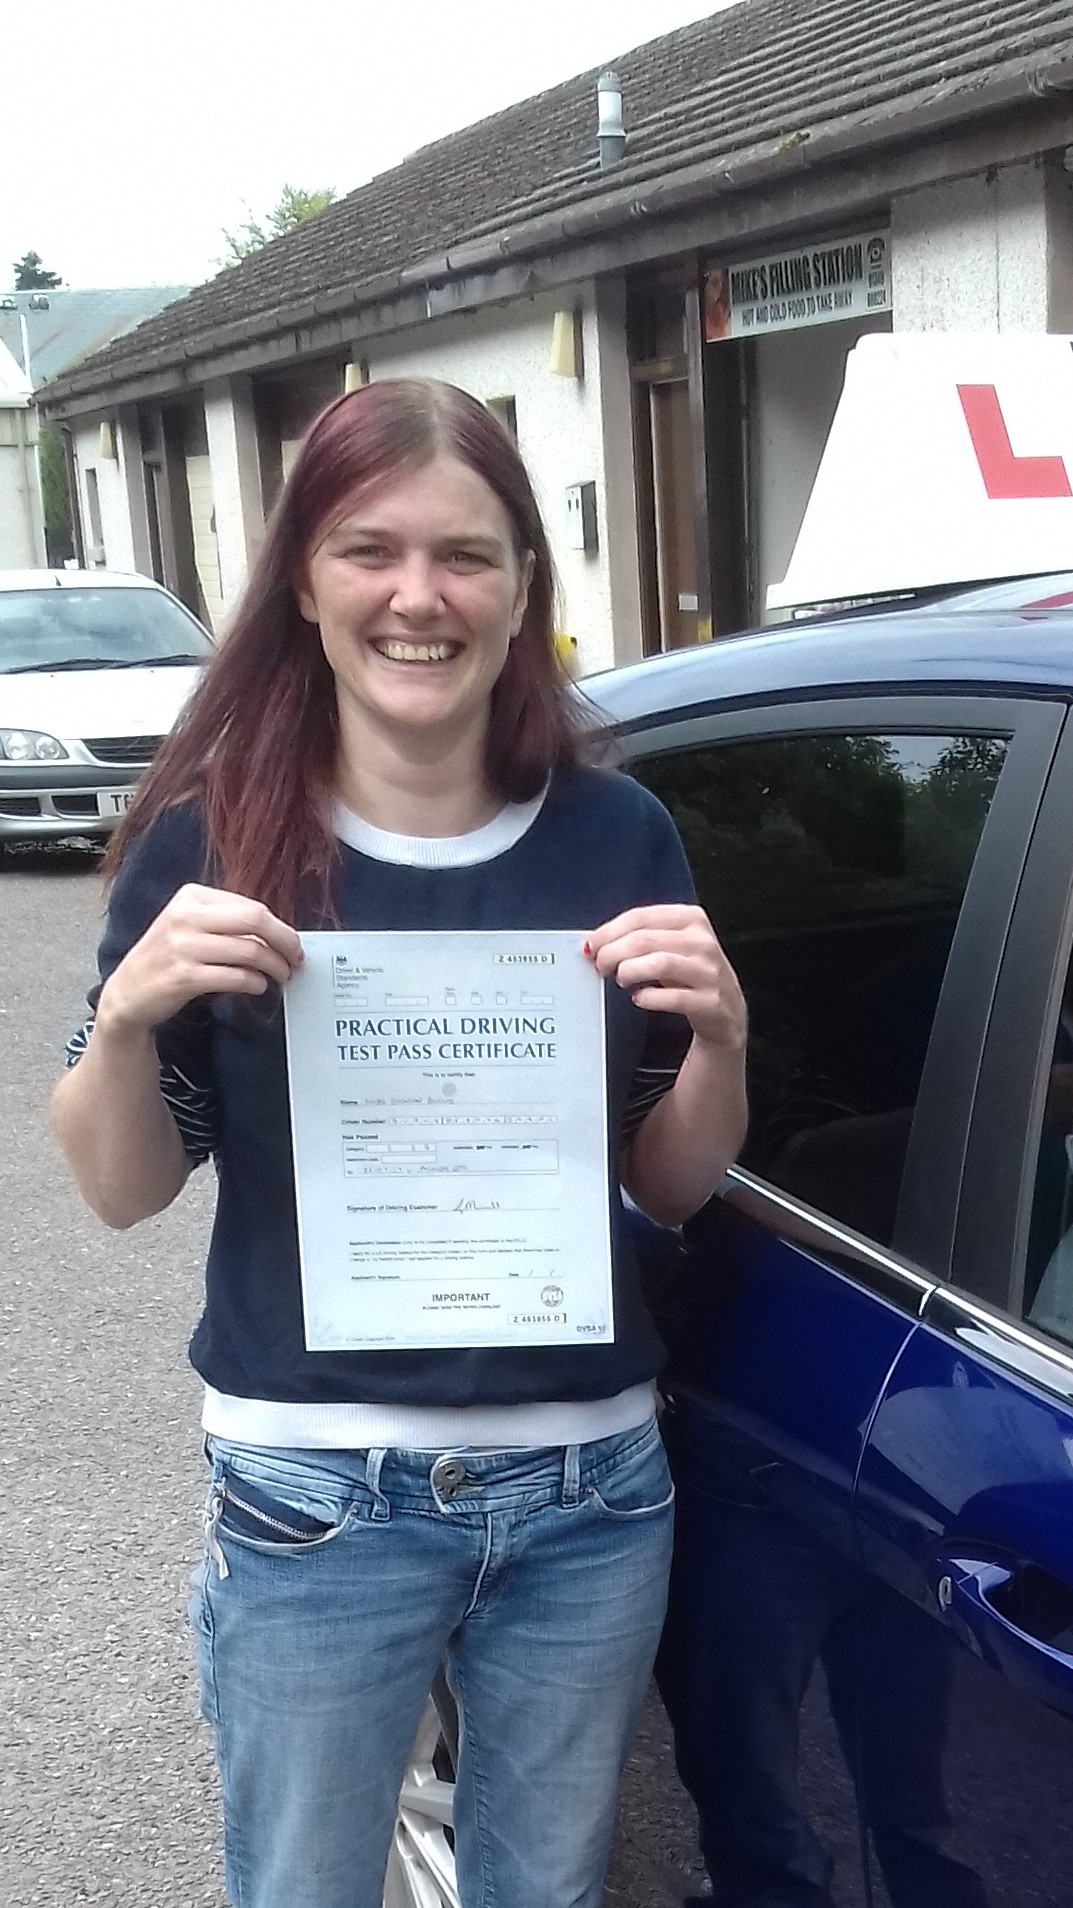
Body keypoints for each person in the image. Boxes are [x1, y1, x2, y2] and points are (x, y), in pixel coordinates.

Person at [52, 378, 748, 1908]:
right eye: (369, 550)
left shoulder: (617, 835)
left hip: (588, 1491)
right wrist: (127, 1022)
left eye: (464, 555)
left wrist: (719, 1039)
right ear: (303, 583)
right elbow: (118, 1188)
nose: (417, 596)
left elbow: (665, 1179)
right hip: (318, 1496)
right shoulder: (209, 843)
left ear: (521, 588)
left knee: (544, 1893)